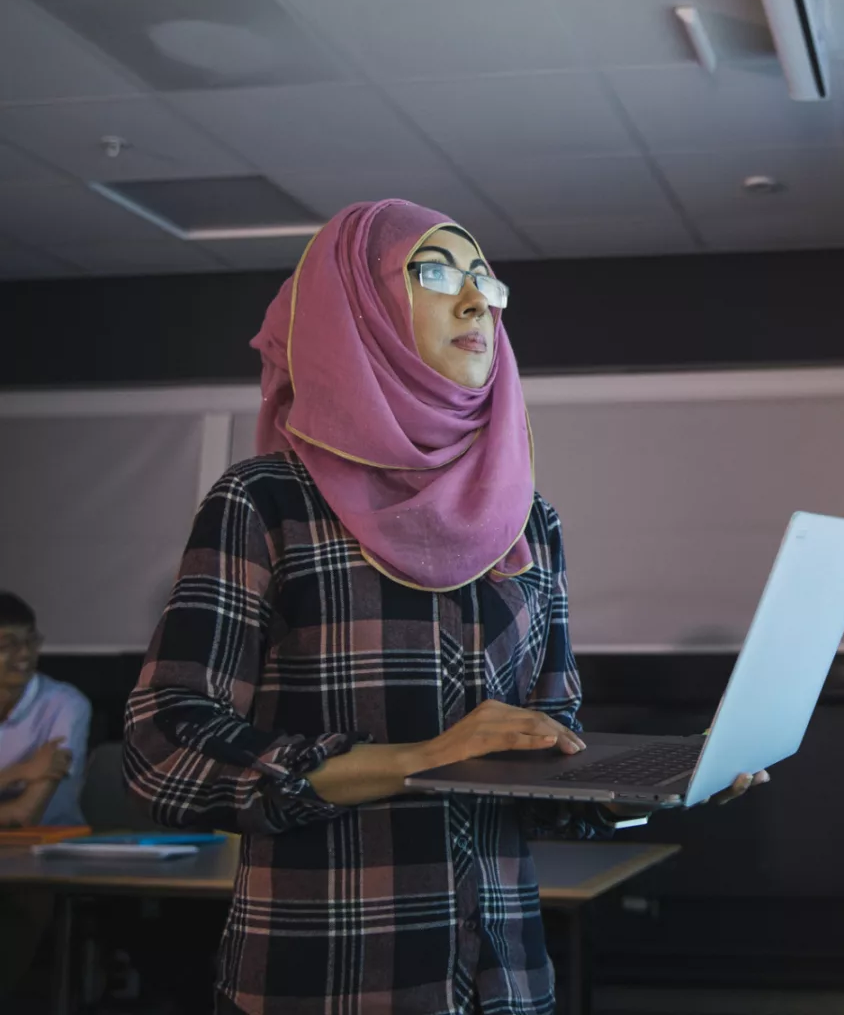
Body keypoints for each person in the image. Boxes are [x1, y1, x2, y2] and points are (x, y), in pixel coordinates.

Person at [123, 200, 765, 1015]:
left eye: (484, 281)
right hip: (326, 979)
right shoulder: (266, 501)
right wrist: (417, 759)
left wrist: (637, 785)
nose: (475, 302)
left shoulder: (528, 518)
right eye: (434, 274)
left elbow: (541, 753)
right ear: (359, 308)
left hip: (507, 982)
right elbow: (162, 751)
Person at [0, 592, 89, 827]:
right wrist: (20, 772)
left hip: (47, 851)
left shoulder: (65, 704)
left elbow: (23, 815)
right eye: (7, 645)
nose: (25, 654)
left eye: (31, 641)